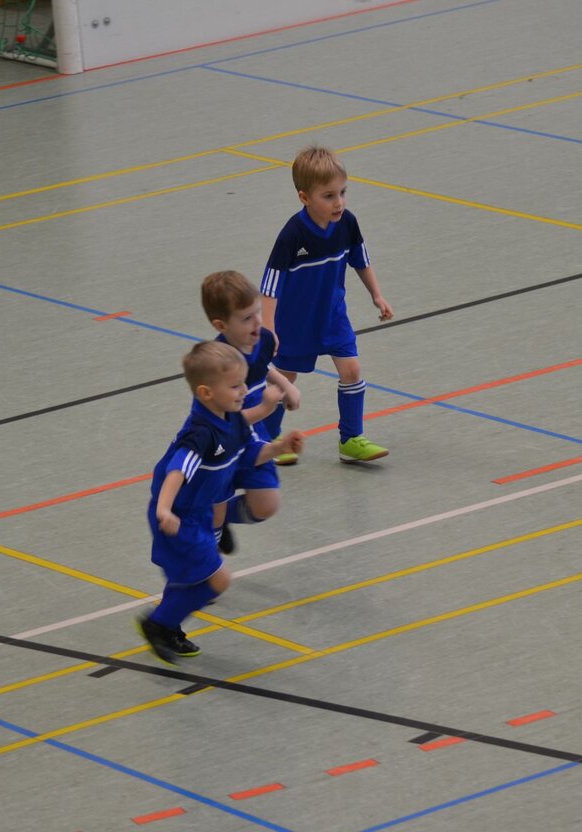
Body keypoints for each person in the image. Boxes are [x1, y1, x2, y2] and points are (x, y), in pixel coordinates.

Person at [137, 341, 304, 665]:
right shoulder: (200, 434)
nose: (244, 391)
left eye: (243, 383)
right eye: (235, 386)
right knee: (218, 579)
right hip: (179, 516)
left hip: (200, 512)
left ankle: (167, 625)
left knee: (189, 576)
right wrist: (164, 509)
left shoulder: (232, 421)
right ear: (206, 393)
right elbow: (177, 470)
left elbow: (250, 453)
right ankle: (157, 624)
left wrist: (280, 447)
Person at [259, 144, 394, 465]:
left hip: (333, 317)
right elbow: (270, 286)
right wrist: (269, 329)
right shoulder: (292, 235)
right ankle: (267, 439)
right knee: (284, 381)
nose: (339, 202)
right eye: (329, 196)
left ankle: (351, 439)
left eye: (343, 192)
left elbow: (361, 260)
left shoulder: (347, 224)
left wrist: (377, 294)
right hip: (295, 324)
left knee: (352, 370)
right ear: (304, 197)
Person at [201, 269, 300, 555]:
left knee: (266, 505)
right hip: (223, 443)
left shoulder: (263, 339)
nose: (257, 322)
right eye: (246, 318)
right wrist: (265, 407)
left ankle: (216, 519)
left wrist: (285, 386)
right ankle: (207, 567)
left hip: (255, 434)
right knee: (215, 513)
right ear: (221, 325)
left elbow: (261, 367)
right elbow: (225, 423)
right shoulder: (217, 363)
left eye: (257, 312)